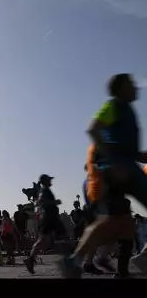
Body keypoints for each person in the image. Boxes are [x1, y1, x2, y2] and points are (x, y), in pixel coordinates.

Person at [60, 73, 147, 278]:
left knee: (123, 224)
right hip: (117, 172)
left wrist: (137, 155)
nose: (136, 87)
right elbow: (94, 129)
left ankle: (79, 262)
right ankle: (76, 261)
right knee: (111, 221)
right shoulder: (113, 106)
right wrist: (114, 160)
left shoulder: (128, 111)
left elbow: (127, 148)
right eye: (131, 84)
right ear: (121, 89)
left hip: (127, 169)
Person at [23, 174, 64, 274]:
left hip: (51, 217)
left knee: (45, 240)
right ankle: (71, 261)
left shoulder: (45, 190)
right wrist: (54, 202)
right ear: (44, 181)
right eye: (49, 180)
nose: (51, 181)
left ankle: (30, 259)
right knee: (45, 240)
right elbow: (42, 202)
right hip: (48, 218)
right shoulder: (44, 191)